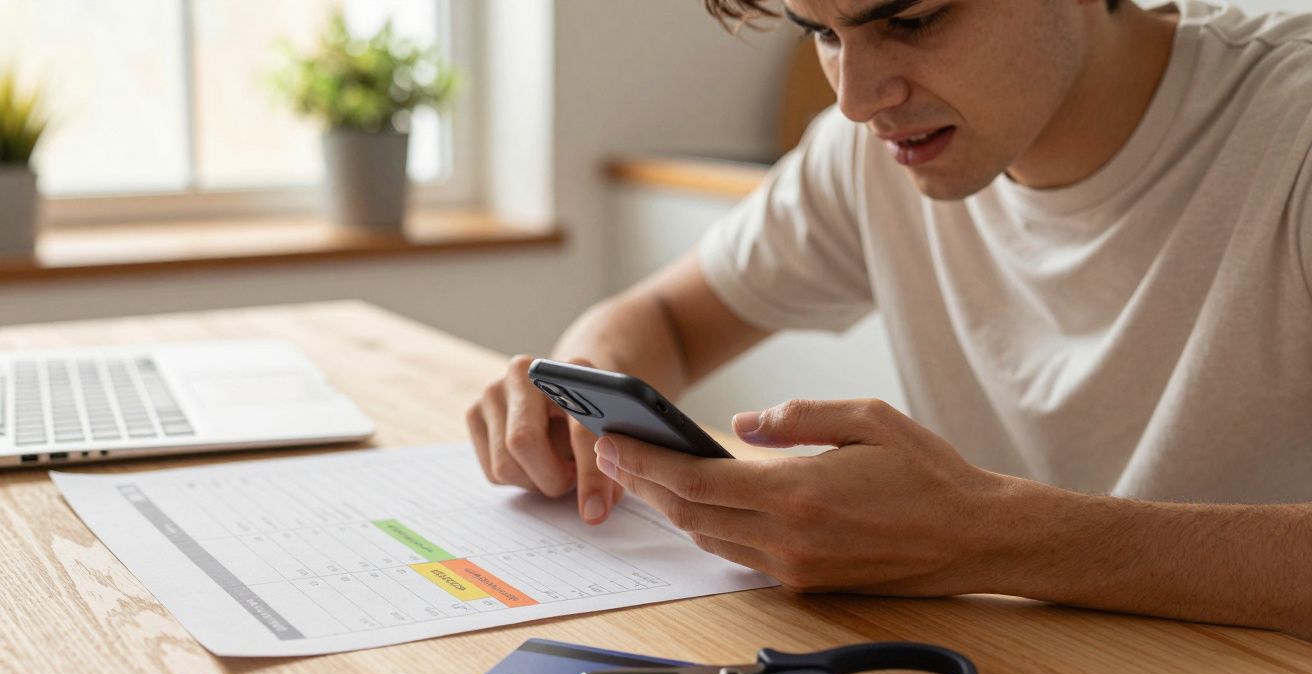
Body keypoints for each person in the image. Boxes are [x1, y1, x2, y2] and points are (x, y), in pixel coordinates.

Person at [467, 0, 1312, 638]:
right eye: (822, 33)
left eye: (911, 18)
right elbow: (666, 320)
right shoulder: (871, 153)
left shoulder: (1292, 127)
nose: (860, 99)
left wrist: (990, 539)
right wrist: (577, 389)